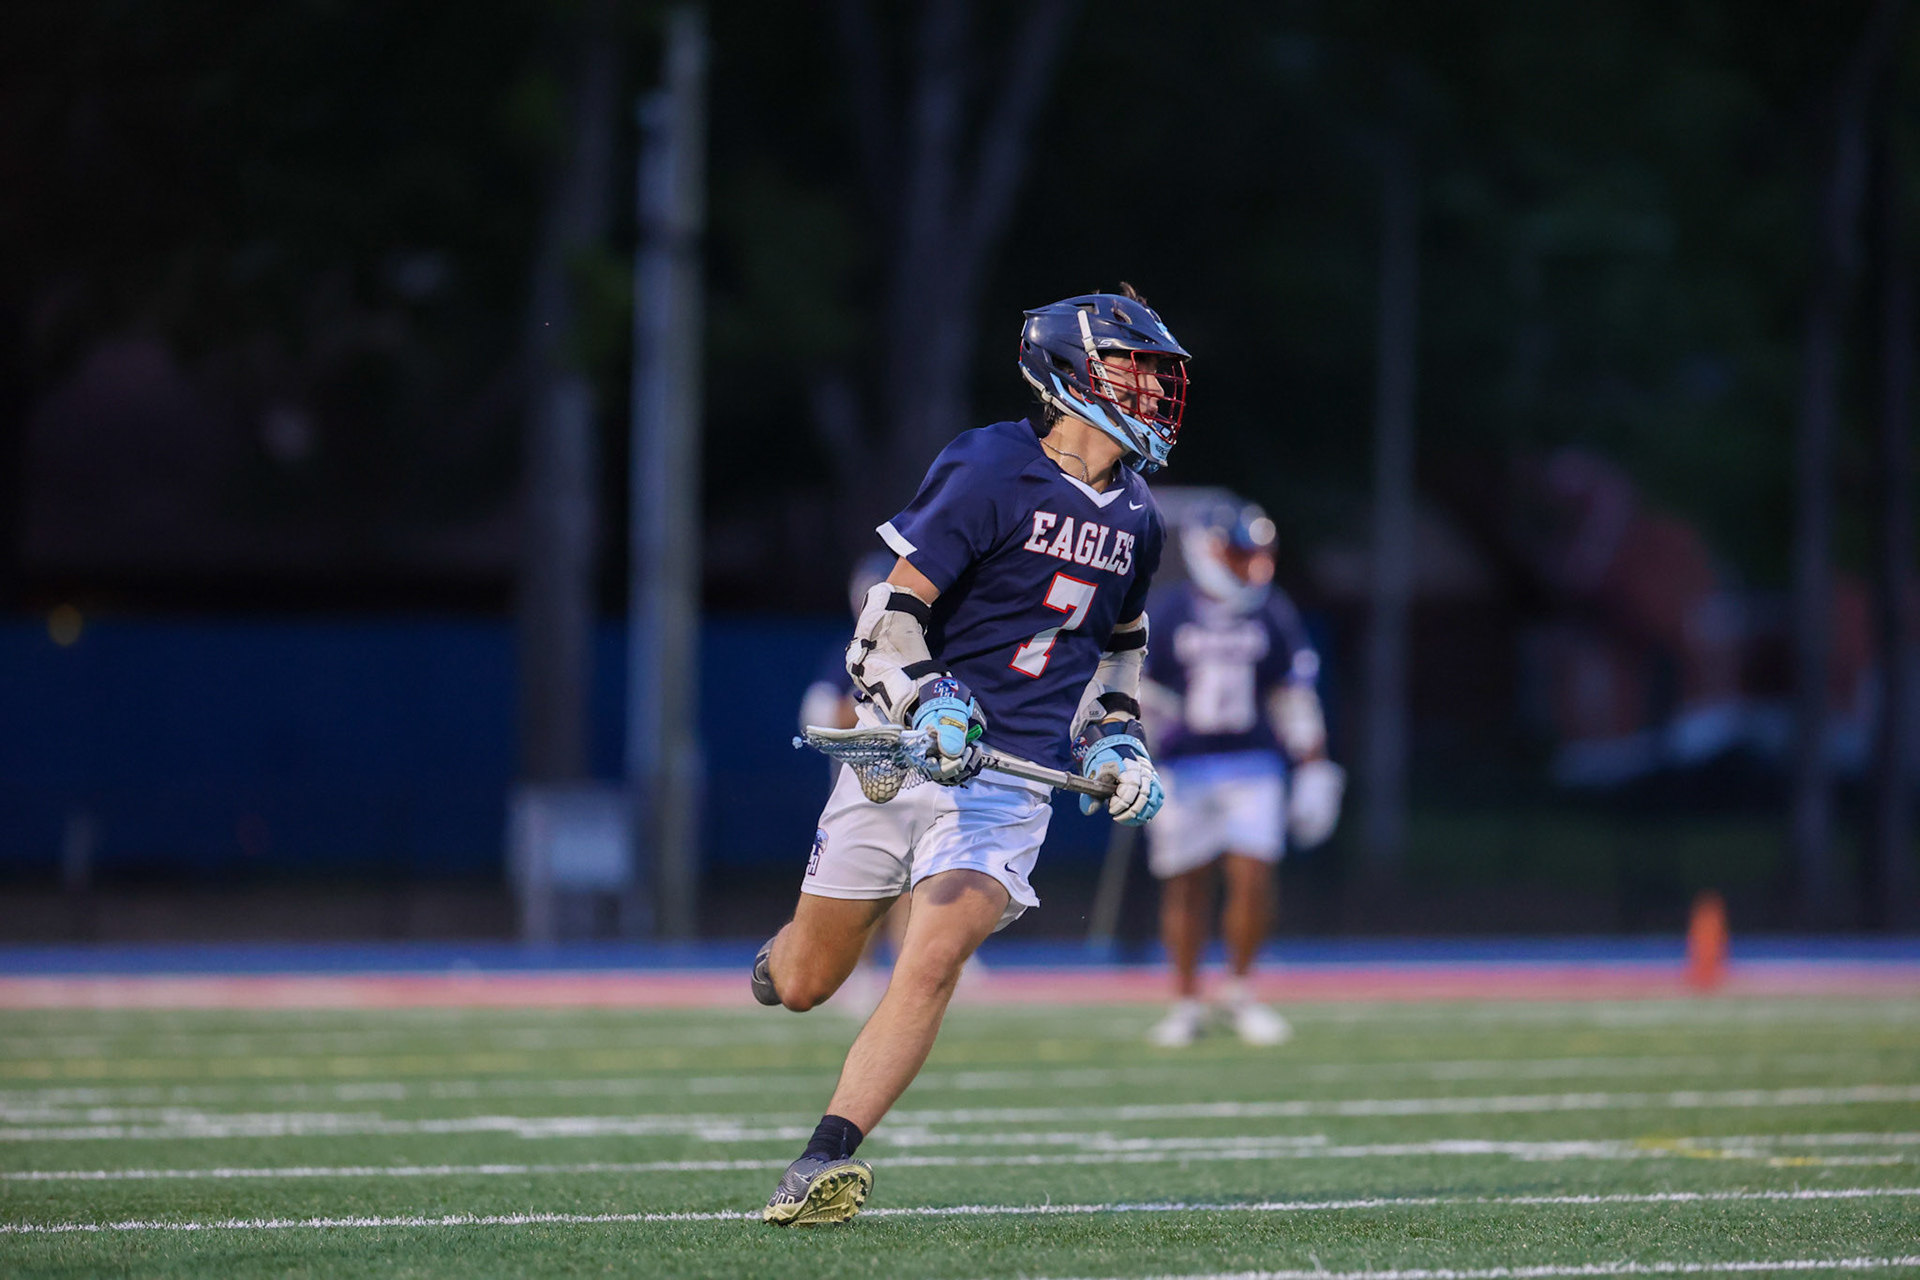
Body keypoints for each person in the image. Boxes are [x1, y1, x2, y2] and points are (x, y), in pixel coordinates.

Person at [749, 284, 1189, 1225]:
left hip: (1010, 782)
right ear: (1071, 370)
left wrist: (1119, 738)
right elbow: (886, 623)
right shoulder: (992, 466)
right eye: (1134, 369)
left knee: (933, 958)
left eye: (1157, 375)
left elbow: (1120, 645)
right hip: (902, 754)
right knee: (806, 984)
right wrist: (928, 700)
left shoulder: (1141, 516)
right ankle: (781, 957)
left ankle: (824, 1160)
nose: (1153, 391)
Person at [1139, 497, 1344, 1048]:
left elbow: (1291, 693)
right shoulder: (1170, 612)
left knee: (1254, 876)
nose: (1252, 567)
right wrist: (1138, 746)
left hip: (1252, 762)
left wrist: (1314, 763)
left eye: (1258, 555)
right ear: (1207, 549)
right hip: (1183, 765)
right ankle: (1184, 1000)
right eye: (1238, 554)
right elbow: (1137, 691)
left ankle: (1240, 989)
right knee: (1186, 883)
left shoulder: (1271, 611)